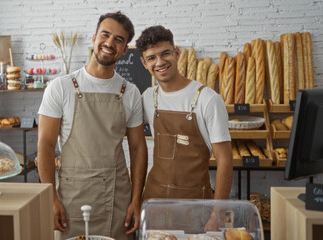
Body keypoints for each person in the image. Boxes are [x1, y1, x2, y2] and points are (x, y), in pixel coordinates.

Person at [37, 11, 147, 240]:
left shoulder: (131, 92)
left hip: (118, 199)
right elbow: (45, 145)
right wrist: (51, 199)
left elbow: (138, 149)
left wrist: (136, 200)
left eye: (119, 40)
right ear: (94, 37)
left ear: (125, 49)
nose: (109, 43)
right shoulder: (61, 88)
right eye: (105, 35)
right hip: (72, 198)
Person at [135, 25, 233, 201]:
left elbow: (225, 161)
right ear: (144, 63)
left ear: (176, 53)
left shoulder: (208, 99)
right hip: (153, 201)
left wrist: (218, 210)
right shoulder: (148, 97)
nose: (159, 62)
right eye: (151, 58)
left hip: (195, 203)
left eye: (165, 53)